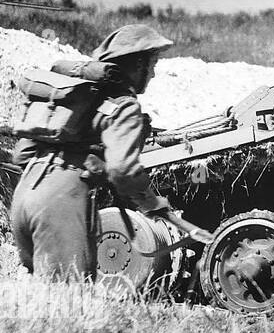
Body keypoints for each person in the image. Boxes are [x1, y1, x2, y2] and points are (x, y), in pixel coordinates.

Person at [9, 24, 182, 279]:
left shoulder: (74, 98)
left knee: (45, 298)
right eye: (153, 64)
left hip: (24, 196)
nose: (153, 74)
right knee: (67, 301)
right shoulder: (124, 105)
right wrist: (153, 204)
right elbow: (123, 169)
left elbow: (21, 155)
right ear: (138, 65)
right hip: (61, 201)